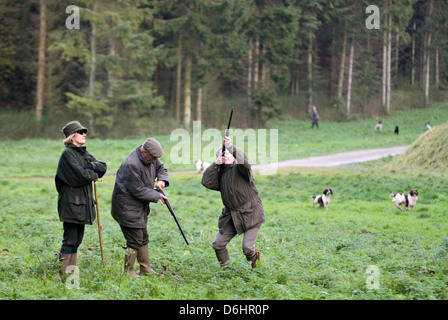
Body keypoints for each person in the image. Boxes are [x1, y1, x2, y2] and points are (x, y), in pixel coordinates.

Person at [201, 136, 265, 269]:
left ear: (234, 156)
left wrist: (231, 147)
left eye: (228, 155)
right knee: (218, 244)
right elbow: (206, 182)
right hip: (232, 216)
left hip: (251, 213)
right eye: (222, 155)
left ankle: (257, 265)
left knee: (247, 248)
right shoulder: (220, 174)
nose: (225, 157)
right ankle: (226, 271)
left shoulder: (241, 170)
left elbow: (245, 162)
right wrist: (216, 163)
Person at [55, 121, 107, 278]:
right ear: (72, 137)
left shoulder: (84, 154)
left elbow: (102, 167)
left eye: (84, 131)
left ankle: (71, 274)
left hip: (82, 204)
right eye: (80, 132)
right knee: (70, 240)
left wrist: (90, 166)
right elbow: (80, 176)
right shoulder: (67, 155)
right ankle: (64, 275)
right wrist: (92, 173)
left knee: (77, 240)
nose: (84, 133)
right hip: (71, 204)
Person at [111, 138, 169, 277]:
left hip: (139, 207)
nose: (155, 160)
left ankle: (145, 268)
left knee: (143, 237)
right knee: (134, 240)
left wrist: (161, 179)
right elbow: (137, 190)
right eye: (153, 157)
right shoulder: (131, 164)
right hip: (127, 208)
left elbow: (161, 168)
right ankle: (128, 271)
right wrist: (157, 196)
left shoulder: (151, 158)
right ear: (144, 152)